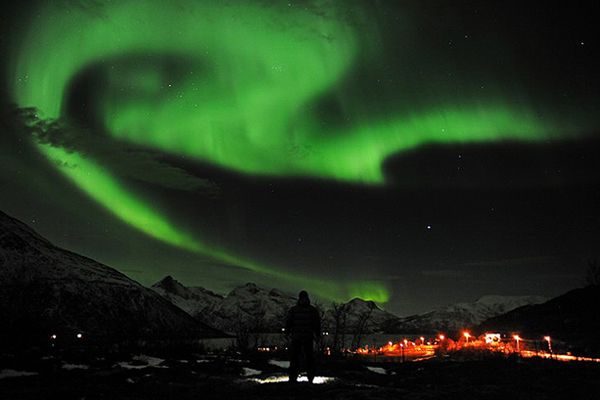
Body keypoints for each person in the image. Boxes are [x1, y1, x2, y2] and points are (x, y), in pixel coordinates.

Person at [285, 290, 321, 383]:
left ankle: (299, 377)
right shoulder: (312, 310)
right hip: (303, 337)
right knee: (302, 358)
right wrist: (317, 335)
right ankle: (302, 377)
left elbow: (289, 323)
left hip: (302, 337)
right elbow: (317, 324)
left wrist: (287, 332)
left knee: (300, 358)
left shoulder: (294, 310)